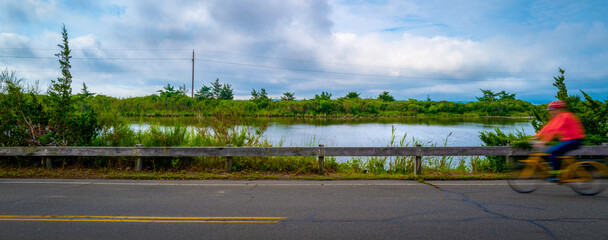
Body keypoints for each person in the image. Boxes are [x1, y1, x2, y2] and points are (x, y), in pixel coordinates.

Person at [531, 100, 585, 180]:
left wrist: (543, 141)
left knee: (553, 152)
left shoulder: (565, 117)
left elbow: (554, 130)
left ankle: (556, 175)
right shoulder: (557, 118)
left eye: (552, 110)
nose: (550, 112)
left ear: (558, 109)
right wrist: (537, 136)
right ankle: (559, 170)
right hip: (567, 140)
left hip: (574, 140)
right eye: (550, 110)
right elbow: (548, 128)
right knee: (549, 153)